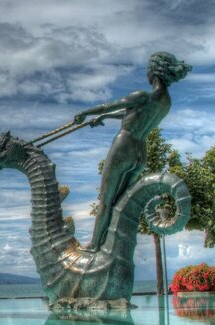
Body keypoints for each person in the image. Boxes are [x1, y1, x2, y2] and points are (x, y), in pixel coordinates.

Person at [74, 52, 191, 252]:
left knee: (106, 199)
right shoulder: (164, 101)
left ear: (154, 71)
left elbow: (110, 105)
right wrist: (104, 118)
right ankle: (110, 246)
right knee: (120, 201)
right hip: (140, 151)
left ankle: (94, 244)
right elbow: (130, 113)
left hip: (124, 145)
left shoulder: (141, 95)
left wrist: (85, 113)